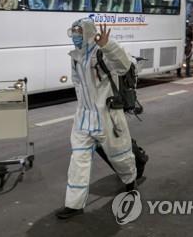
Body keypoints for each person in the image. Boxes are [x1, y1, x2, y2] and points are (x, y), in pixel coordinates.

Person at [55, 18, 137, 219]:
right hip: (83, 117)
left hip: (107, 116)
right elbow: (77, 83)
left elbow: (124, 65)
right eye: (73, 31)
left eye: (78, 31)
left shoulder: (102, 53)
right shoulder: (75, 57)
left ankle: (130, 180)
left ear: (88, 33)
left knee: (119, 155)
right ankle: (74, 204)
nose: (75, 35)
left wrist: (108, 46)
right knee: (78, 160)